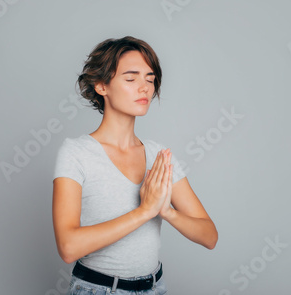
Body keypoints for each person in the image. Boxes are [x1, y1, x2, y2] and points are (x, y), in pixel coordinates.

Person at [52, 36, 218, 295]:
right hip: (99, 289)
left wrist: (167, 211)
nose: (145, 88)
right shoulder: (76, 153)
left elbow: (209, 236)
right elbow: (68, 247)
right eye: (131, 79)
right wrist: (144, 211)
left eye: (150, 80)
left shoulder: (159, 156)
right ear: (101, 86)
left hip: (154, 287)